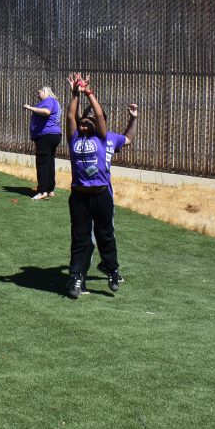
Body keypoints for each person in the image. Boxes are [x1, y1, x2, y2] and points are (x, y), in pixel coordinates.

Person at [63, 72, 137, 299]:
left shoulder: (104, 138)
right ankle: (76, 277)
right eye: (83, 119)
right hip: (79, 197)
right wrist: (76, 93)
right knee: (80, 238)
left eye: (90, 119)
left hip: (101, 195)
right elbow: (70, 116)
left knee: (106, 235)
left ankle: (112, 270)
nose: (85, 120)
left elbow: (100, 117)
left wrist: (89, 93)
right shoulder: (74, 138)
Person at [24, 85, 63, 200]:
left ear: (45, 91)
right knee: (49, 162)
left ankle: (42, 191)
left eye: (39, 92)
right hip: (53, 135)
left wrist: (30, 107)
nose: (37, 95)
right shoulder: (53, 101)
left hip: (46, 135)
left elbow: (46, 112)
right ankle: (50, 189)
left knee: (42, 163)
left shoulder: (49, 100)